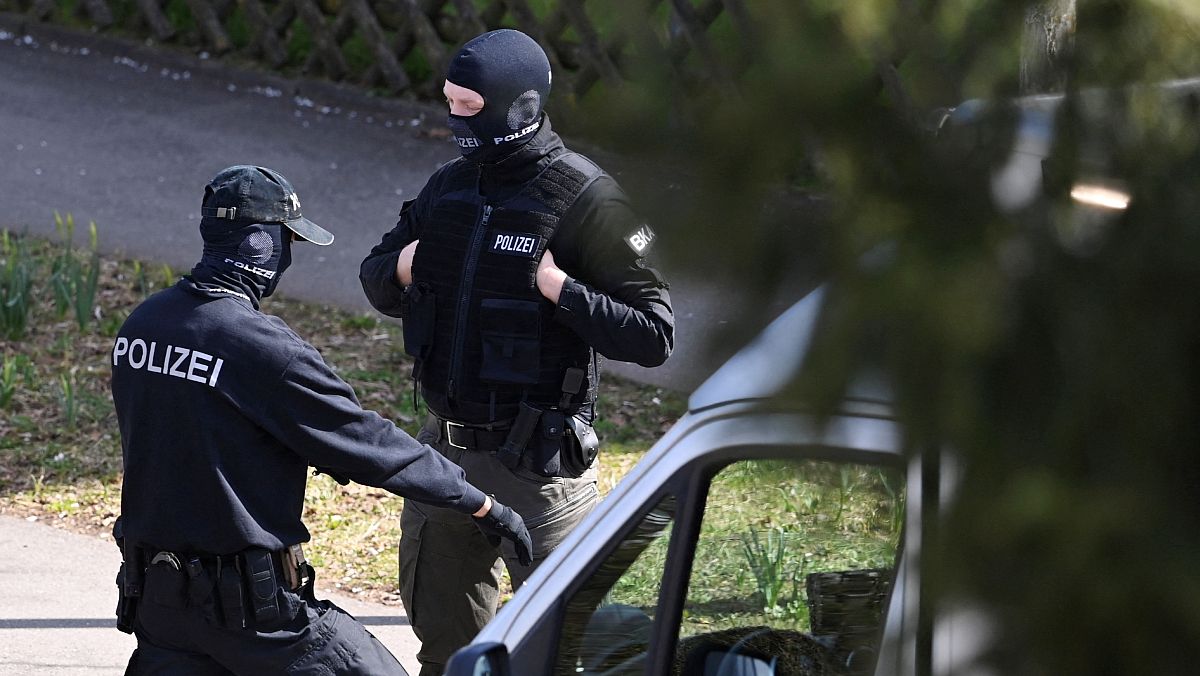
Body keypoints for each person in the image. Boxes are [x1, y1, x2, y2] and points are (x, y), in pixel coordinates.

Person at [110, 164, 533, 675]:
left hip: (161, 608)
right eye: (286, 238)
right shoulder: (260, 349)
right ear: (260, 245)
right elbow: (369, 443)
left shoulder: (142, 328)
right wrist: (481, 503)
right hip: (254, 619)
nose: (289, 254)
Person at [358, 29, 675, 675]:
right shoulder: (448, 186)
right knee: (449, 656)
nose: (454, 122)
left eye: (469, 109)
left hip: (542, 470)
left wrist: (559, 288)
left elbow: (654, 334)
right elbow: (375, 278)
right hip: (444, 462)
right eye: (448, 103)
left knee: (559, 654)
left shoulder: (592, 198)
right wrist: (404, 269)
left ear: (520, 108)